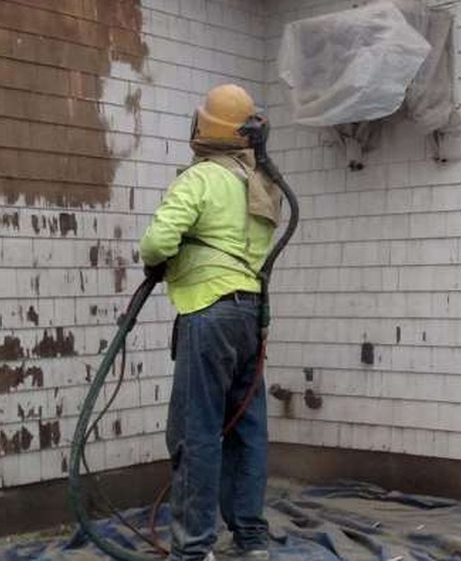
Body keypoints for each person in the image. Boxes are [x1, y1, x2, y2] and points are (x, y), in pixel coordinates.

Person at [140, 83, 281, 561]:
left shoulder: (200, 179)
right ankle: (251, 541)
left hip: (209, 312)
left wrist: (160, 259)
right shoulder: (262, 186)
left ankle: (194, 549)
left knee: (195, 431)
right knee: (246, 430)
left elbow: (157, 243)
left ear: (206, 128)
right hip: (251, 317)